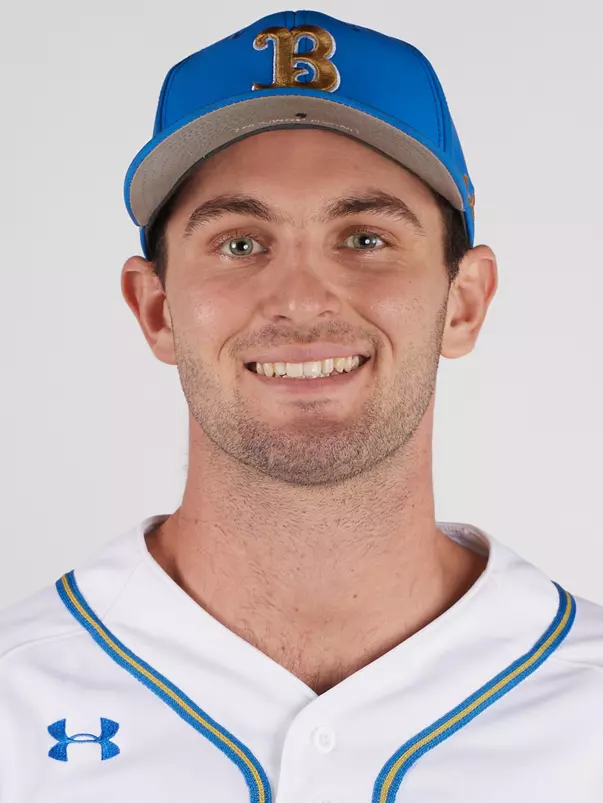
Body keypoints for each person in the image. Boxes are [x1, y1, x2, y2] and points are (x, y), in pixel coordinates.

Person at [1, 9, 602, 803]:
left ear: (463, 303)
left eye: (363, 238)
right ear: (156, 310)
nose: (299, 298)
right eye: (241, 243)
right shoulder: (15, 703)